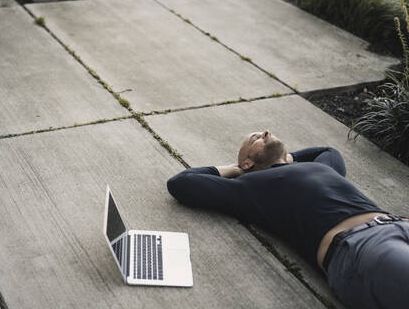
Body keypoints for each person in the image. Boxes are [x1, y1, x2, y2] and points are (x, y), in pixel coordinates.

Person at [167, 130, 409, 309]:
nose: (265, 132)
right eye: (255, 139)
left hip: (398, 225)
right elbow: (181, 183)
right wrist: (236, 169)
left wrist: (283, 158)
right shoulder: (250, 187)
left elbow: (328, 152)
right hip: (362, 247)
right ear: (248, 162)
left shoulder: (321, 168)